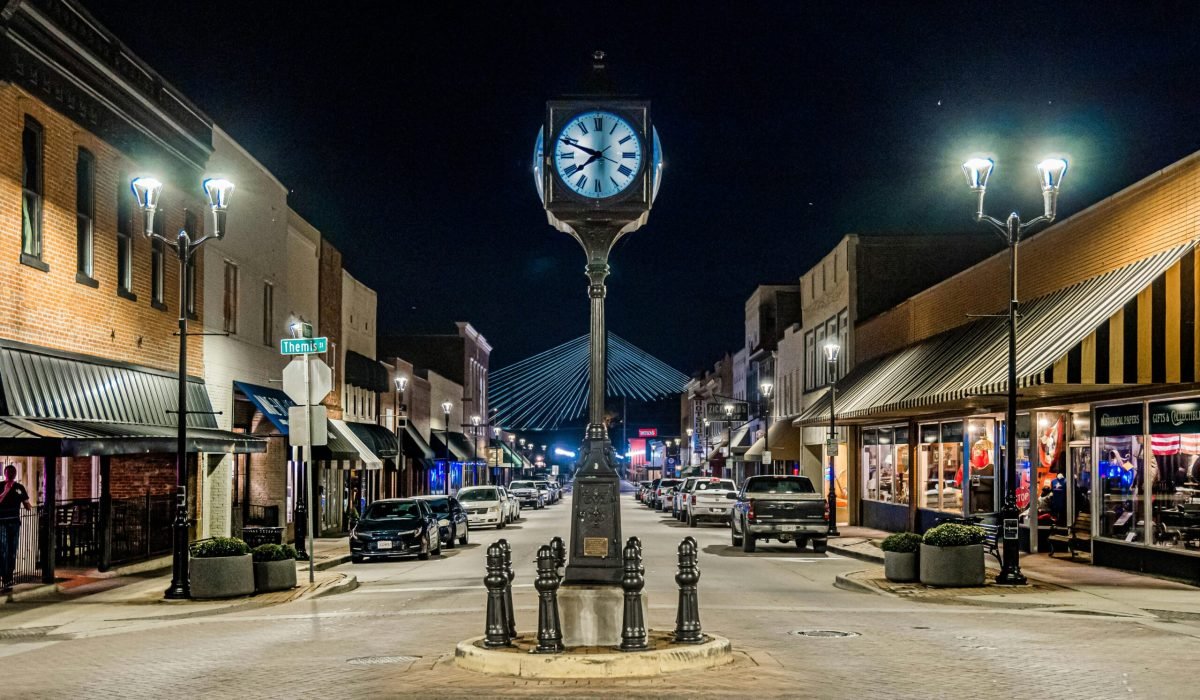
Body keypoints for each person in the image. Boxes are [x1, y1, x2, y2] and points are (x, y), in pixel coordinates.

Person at [0, 464, 33, 592]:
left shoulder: (19, 487)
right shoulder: (0, 485)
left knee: (12, 549)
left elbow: (27, 505)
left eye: (13, 472)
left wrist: (27, 503)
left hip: (14, 522)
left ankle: (9, 576)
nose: (11, 474)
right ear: (5, 473)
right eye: (9, 472)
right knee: (3, 549)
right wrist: (6, 491)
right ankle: (5, 577)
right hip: (2, 522)